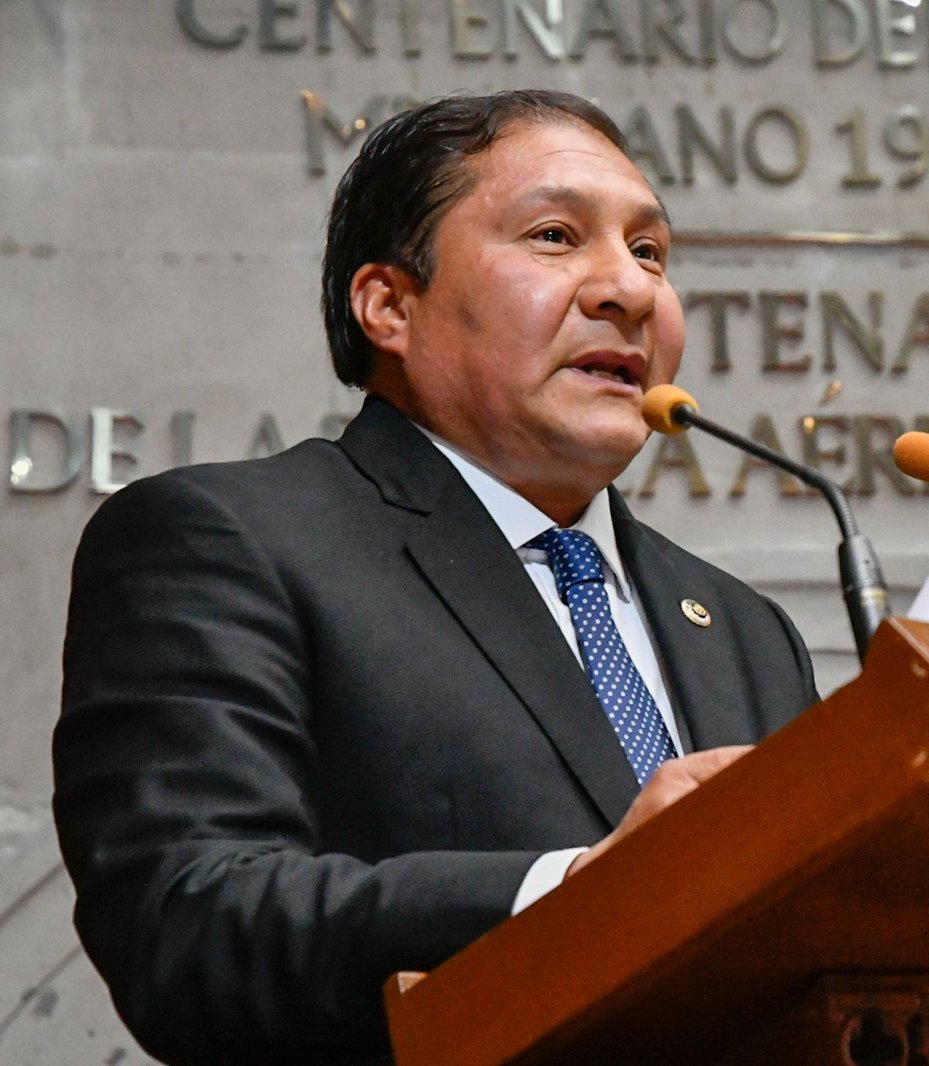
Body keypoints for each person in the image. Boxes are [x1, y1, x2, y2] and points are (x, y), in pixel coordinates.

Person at [53, 90, 818, 1065]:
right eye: (554, 236)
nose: (629, 289)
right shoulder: (229, 542)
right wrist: (573, 889)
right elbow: (191, 922)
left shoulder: (745, 630)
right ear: (389, 306)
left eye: (650, 251)